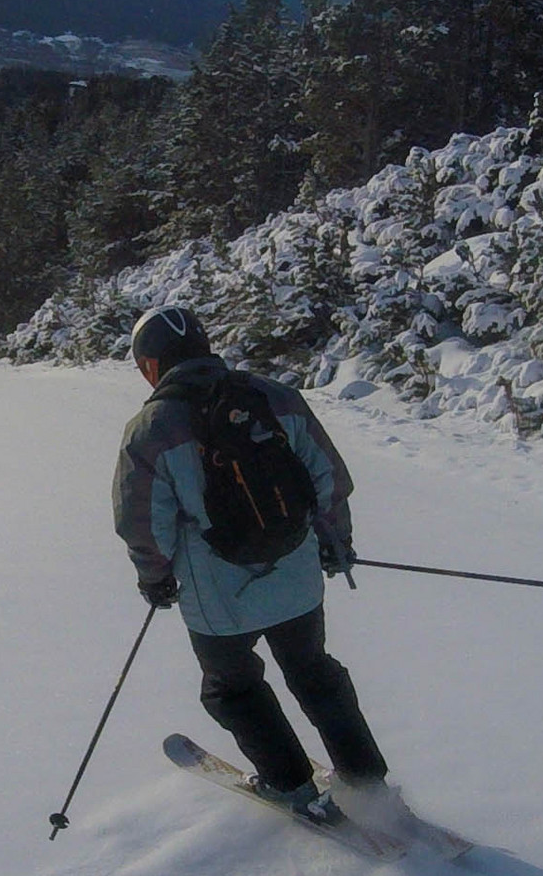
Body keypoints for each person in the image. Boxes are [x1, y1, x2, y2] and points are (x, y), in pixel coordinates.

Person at [112, 305, 386, 824]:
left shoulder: (150, 429)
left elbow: (143, 523)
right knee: (315, 673)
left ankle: (290, 786)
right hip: (297, 576)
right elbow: (328, 478)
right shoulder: (276, 397)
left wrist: (155, 579)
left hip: (216, 601)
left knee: (232, 689)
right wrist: (335, 543)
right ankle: (366, 778)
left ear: (150, 366)